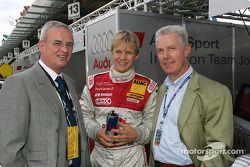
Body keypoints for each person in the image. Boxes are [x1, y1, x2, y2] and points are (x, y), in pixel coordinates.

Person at [0, 20, 91, 167]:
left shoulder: (69, 82)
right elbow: (9, 152)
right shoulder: (18, 84)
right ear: (41, 46)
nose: (65, 50)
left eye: (69, 44)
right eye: (57, 43)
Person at [150, 25, 234, 167]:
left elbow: (219, 151)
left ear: (186, 50)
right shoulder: (162, 89)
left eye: (172, 48)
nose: (165, 56)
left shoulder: (216, 93)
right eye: (160, 50)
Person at [79, 30, 157, 167]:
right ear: (111, 52)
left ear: (136, 55)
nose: (123, 57)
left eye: (129, 53)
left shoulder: (147, 87)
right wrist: (96, 131)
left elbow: (153, 125)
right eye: (118, 51)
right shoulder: (94, 83)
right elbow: (83, 116)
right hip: (100, 159)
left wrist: (137, 134)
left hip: (133, 159)